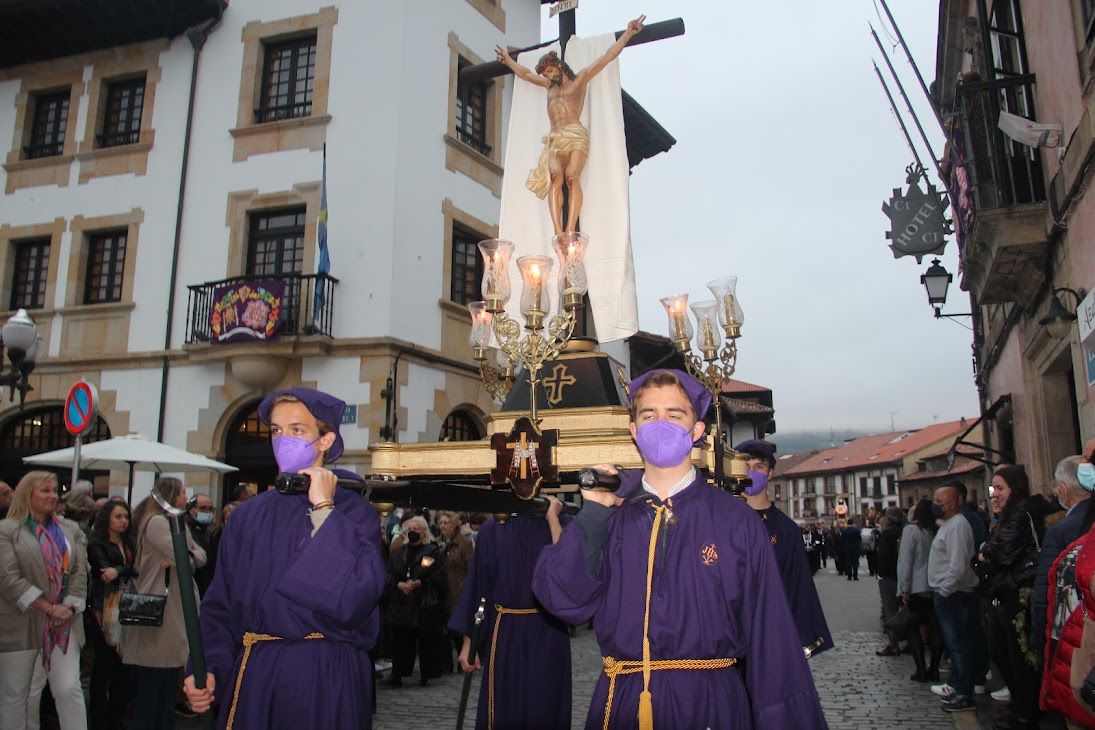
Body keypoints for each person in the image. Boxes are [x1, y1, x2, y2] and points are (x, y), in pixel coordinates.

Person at [533, 369, 827, 728]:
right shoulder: (611, 518)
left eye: (675, 415)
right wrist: (593, 511)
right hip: (624, 704)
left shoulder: (736, 521)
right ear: (634, 431)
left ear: (697, 431)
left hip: (711, 706)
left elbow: (772, 638)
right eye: (648, 415)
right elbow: (561, 600)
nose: (661, 424)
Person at [184, 387, 386, 729]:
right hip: (256, 676)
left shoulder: (354, 512)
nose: (283, 440)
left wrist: (324, 510)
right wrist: (207, 669)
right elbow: (220, 605)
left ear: (325, 440)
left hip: (325, 678)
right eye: (276, 430)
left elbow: (356, 597)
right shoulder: (247, 516)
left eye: (297, 430)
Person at [495, 15, 646, 235]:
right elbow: (525, 74)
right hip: (556, 138)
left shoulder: (579, 80)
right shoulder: (549, 87)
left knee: (571, 177)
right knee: (555, 178)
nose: (548, 75)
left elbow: (606, 57)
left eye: (550, 70)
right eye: (545, 73)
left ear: (559, 66)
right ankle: (559, 233)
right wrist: (508, 61)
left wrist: (628, 34)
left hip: (575, 135)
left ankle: (570, 229)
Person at [451, 503, 570, 730]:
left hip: (548, 630)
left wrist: (553, 518)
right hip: (504, 631)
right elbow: (479, 584)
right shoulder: (492, 528)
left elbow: (568, 567)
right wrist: (470, 641)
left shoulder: (560, 522)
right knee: (504, 709)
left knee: (545, 707)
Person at [0, 471, 89, 730]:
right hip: (19, 622)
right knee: (16, 694)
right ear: (28, 493)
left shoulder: (69, 528)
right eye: (45, 490)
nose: (53, 495)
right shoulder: (7, 530)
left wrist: (68, 607)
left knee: (68, 687)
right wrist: (48, 607)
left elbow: (80, 571)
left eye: (54, 490)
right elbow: (8, 577)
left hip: (64, 621)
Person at [121, 476, 206, 730]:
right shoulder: (157, 522)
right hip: (161, 611)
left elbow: (199, 556)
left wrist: (187, 556)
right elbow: (186, 557)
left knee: (166, 688)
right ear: (171, 495)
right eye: (181, 492)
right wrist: (187, 556)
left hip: (173, 609)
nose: (184, 497)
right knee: (153, 691)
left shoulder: (175, 521)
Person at [736, 438, 832, 656]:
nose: (752, 473)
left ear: (770, 473)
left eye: (759, 467)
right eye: (746, 467)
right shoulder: (724, 520)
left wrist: (801, 640)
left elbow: (798, 583)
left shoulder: (786, 529)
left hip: (771, 629)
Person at [975, 465, 1047, 730]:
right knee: (999, 649)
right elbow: (983, 560)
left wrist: (982, 558)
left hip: (1015, 593)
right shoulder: (1006, 516)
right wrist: (982, 559)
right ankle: (1020, 705)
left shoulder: (1022, 514)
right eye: (992, 488)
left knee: (1016, 655)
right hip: (999, 593)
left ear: (1015, 489)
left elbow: (994, 557)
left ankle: (1026, 713)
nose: (994, 494)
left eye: (1000, 488)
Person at [1032, 456, 1092, 660]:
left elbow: (1045, 590)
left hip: (1073, 631)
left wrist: (1040, 641)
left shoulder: (1060, 532)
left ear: (1064, 490)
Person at [928, 483, 981, 712]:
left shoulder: (958, 526)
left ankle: (964, 692)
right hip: (950, 593)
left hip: (954, 595)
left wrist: (945, 590)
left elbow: (958, 565)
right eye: (935, 501)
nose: (936, 506)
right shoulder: (949, 525)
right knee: (956, 643)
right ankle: (957, 684)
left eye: (941, 502)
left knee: (959, 645)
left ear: (954, 502)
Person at [86, 497, 136, 730]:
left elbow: (135, 569)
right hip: (103, 609)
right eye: (118, 516)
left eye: (126, 516)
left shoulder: (129, 543)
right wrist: (120, 570)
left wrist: (120, 570)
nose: (123, 521)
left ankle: (116, 719)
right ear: (107, 518)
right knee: (103, 667)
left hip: (127, 606)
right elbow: (102, 570)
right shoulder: (96, 542)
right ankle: (97, 720)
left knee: (122, 667)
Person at [384, 515, 447, 687]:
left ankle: (426, 674)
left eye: (416, 529)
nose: (412, 532)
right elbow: (389, 574)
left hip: (422, 603)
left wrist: (420, 582)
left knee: (426, 641)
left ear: (424, 532)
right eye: (410, 529)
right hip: (401, 603)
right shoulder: (397, 554)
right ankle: (397, 673)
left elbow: (439, 576)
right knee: (400, 641)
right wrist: (399, 584)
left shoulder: (432, 552)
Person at [898, 499, 943, 682]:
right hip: (934, 586)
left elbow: (905, 561)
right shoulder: (934, 531)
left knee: (912, 628)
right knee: (935, 629)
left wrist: (904, 588)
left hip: (916, 587)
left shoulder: (911, 531)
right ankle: (934, 668)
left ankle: (921, 670)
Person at [436, 510, 473, 673]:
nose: (443, 526)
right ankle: (445, 664)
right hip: (443, 590)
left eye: (446, 523)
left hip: (459, 589)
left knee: (459, 628)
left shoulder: (463, 543)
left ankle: (462, 660)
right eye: (441, 523)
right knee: (444, 628)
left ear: (454, 525)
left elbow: (471, 566)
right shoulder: (438, 542)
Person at [875, 507, 904, 657]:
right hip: (903, 575)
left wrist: (880, 573)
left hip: (889, 576)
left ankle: (893, 644)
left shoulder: (887, 534)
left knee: (890, 611)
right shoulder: (904, 531)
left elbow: (884, 557)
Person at [185, 493, 216, 596]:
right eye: (202, 508)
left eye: (210, 508)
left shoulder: (212, 531)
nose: (207, 512)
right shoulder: (184, 530)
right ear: (191, 509)